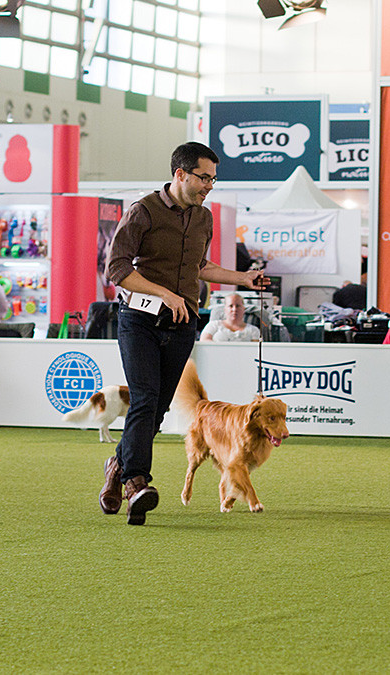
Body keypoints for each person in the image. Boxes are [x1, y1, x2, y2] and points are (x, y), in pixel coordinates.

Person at [101, 141, 268, 526]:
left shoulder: (203, 218)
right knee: (144, 399)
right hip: (140, 321)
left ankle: (116, 465)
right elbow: (117, 269)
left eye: (213, 179)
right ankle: (137, 483)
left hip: (182, 323)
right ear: (181, 174)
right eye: (204, 177)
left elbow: (201, 266)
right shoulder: (142, 212)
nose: (210, 185)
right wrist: (164, 293)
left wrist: (243, 278)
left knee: (157, 408)